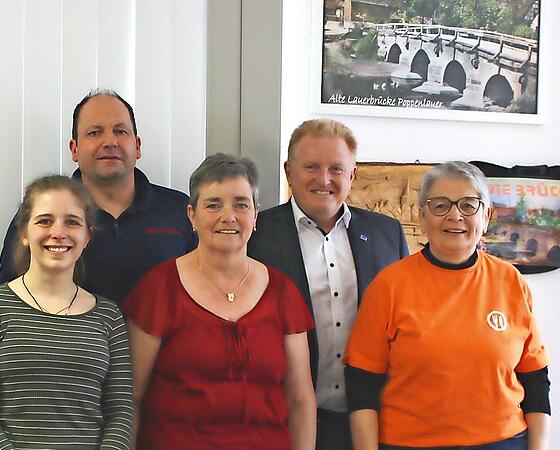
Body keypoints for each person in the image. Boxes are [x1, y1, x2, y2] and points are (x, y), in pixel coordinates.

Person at [344, 161, 550, 450]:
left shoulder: (510, 282)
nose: (455, 216)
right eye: (440, 205)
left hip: (504, 442)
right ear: (422, 216)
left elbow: (536, 379)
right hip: (409, 444)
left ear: (486, 216)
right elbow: (361, 385)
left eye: (469, 205)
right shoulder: (389, 285)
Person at [125, 153, 316, 450]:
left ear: (255, 215)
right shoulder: (159, 289)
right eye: (213, 205)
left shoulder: (282, 292)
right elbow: (131, 398)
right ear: (192, 215)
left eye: (241, 204)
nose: (229, 216)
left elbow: (301, 400)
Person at [248, 119, 408, 450]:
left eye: (336, 168)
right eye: (311, 167)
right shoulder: (255, 235)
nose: (324, 180)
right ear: (289, 171)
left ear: (352, 175)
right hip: (282, 423)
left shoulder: (387, 235)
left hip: (371, 425)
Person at [0, 175, 133, 449]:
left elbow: (121, 412)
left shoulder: (108, 317)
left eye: (72, 222)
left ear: (87, 236)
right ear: (24, 234)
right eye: (45, 221)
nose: (58, 232)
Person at [0, 89, 196, 305]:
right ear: (74, 149)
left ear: (137, 146)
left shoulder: (179, 210)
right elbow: (10, 299)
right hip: (70, 338)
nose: (110, 141)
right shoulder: (41, 215)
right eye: (95, 133)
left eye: (120, 131)